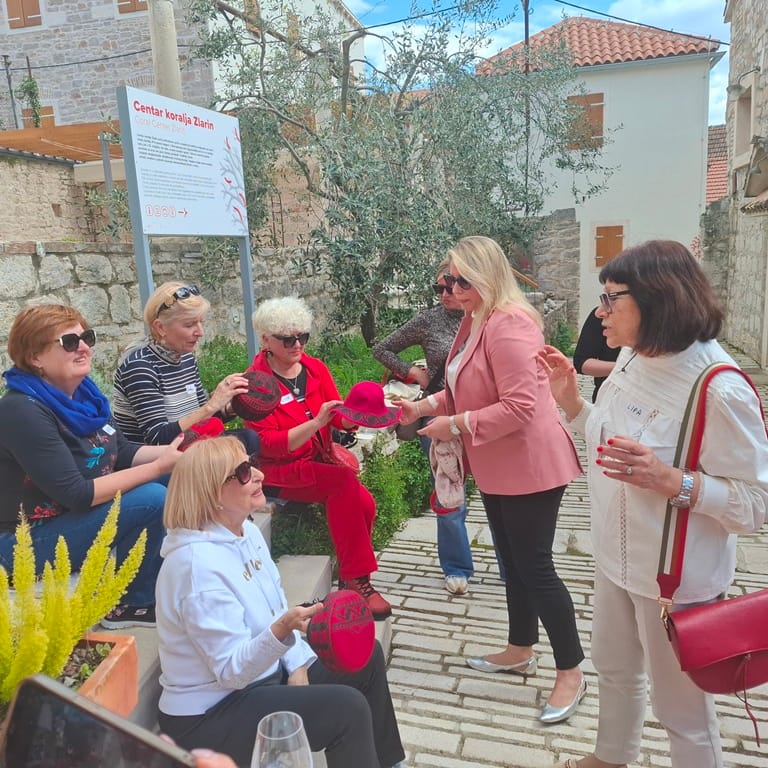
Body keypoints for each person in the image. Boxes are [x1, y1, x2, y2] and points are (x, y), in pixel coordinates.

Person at [538, 240, 768, 768]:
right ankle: (610, 757)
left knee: (681, 711)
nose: (600, 312)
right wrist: (570, 400)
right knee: (614, 668)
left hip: (676, 581)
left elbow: (757, 503)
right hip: (615, 557)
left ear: (657, 299)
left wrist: (673, 482)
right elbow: (607, 439)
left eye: (610, 298)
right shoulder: (631, 357)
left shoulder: (719, 388)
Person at [395, 236, 585, 724]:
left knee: (535, 568)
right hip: (499, 465)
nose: (452, 290)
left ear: (485, 276)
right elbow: (462, 386)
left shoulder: (510, 324)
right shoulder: (475, 319)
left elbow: (520, 407)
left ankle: (571, 670)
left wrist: (455, 425)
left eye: (461, 281)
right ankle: (520, 647)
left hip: (531, 465)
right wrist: (422, 407)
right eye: (446, 281)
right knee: (513, 564)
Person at [155, 436, 406, 768]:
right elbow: (231, 672)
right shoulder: (195, 567)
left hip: (260, 679)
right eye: (243, 472)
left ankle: (389, 762)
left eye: (252, 463)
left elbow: (276, 608)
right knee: (346, 709)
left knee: (366, 656)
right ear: (212, 493)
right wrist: (283, 631)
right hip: (210, 713)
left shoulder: (246, 533)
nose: (259, 474)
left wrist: (298, 664)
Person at [0, 303, 182, 628]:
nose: (83, 347)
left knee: (175, 476)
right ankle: (134, 603)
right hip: (24, 543)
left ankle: (179, 573)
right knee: (152, 497)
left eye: (87, 338)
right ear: (35, 357)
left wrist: (179, 454)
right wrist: (157, 468)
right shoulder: (21, 411)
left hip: (70, 521)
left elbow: (122, 452)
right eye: (69, 342)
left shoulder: (85, 397)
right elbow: (78, 494)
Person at [243, 296, 392, 619]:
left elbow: (335, 416)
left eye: (303, 337)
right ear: (266, 340)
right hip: (280, 471)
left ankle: (353, 575)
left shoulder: (314, 368)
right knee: (343, 484)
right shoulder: (255, 385)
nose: (297, 345)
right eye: (288, 339)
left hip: (318, 461)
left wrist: (356, 417)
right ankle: (357, 580)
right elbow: (267, 446)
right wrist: (315, 423)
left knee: (365, 503)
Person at [373, 261, 474, 595]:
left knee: (498, 494)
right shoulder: (428, 320)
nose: (445, 294)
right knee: (448, 491)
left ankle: (510, 566)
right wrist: (412, 373)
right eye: (439, 288)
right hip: (437, 413)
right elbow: (381, 348)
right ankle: (457, 567)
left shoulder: (486, 318)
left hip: (481, 413)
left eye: (451, 286)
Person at [112, 281, 257, 451]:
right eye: (189, 325)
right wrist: (211, 405)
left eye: (201, 322)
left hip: (188, 447)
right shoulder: (140, 367)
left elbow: (199, 420)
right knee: (242, 447)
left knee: (248, 439)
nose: (200, 332)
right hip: (155, 458)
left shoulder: (186, 357)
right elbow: (157, 439)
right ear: (160, 327)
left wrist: (230, 406)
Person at [572, 307, 619, 402]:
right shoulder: (600, 317)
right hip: (605, 399)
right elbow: (580, 361)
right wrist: (623, 368)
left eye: (613, 299)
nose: (599, 313)